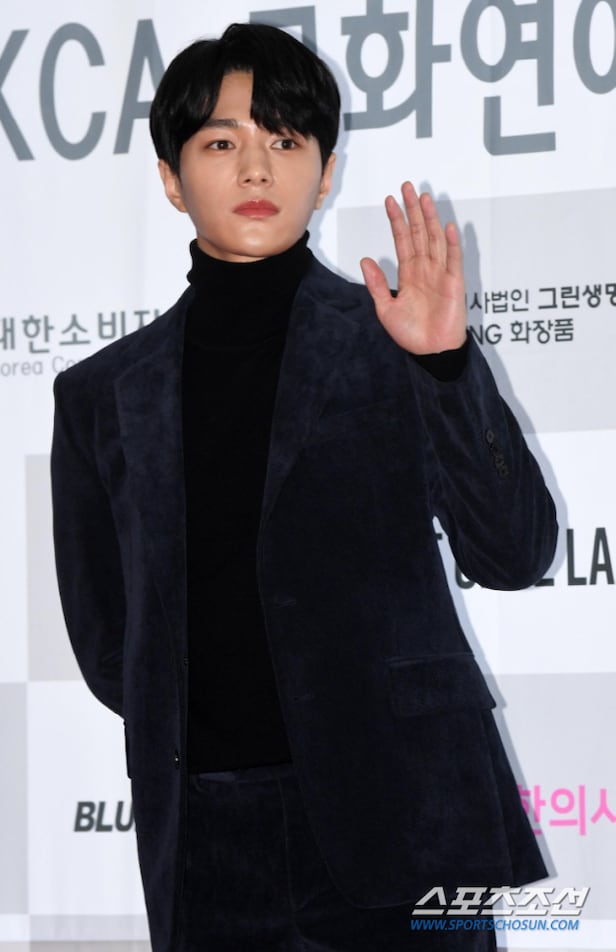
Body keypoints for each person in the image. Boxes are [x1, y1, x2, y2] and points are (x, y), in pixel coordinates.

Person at [51, 21, 558, 952]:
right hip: (207, 845)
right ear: (171, 178)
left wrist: (447, 367)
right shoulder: (98, 396)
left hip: (404, 817)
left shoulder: (394, 339)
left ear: (325, 174)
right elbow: (109, 642)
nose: (256, 168)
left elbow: (514, 554)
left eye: (285, 140)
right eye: (221, 144)